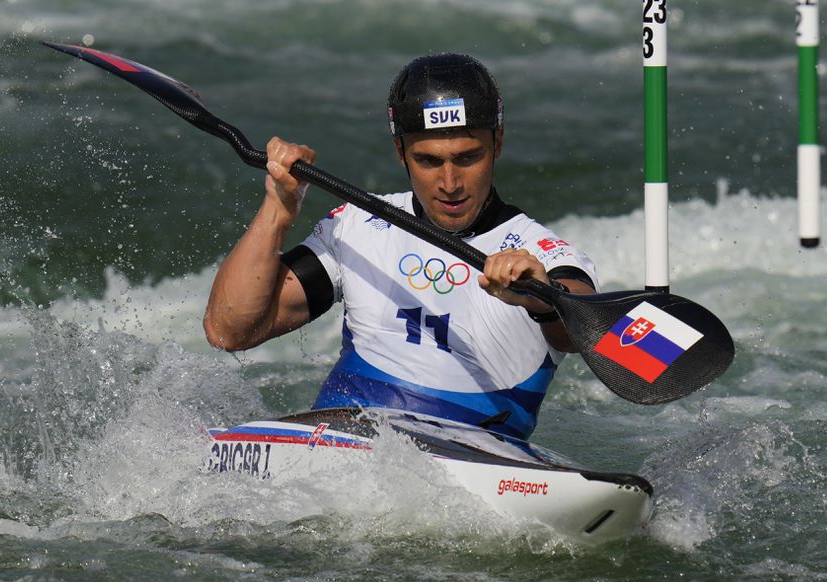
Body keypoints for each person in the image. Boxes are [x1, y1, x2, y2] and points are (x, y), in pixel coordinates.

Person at [203, 53, 598, 440]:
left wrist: (542, 299)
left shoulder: (541, 252)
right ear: (399, 152)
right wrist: (279, 207)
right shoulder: (358, 224)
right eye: (428, 161)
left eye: (467, 158)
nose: (449, 182)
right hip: (335, 448)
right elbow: (229, 331)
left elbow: (584, 329)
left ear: (497, 143)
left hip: (472, 460)